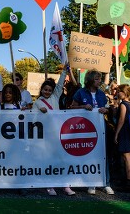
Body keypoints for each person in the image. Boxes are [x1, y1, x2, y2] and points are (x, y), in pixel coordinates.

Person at [32, 66, 75, 196]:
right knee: (49, 160)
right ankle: (50, 185)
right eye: (45, 89)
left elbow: (60, 84)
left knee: (62, 159)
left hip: (58, 134)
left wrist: (65, 71)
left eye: (49, 90)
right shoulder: (38, 102)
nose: (47, 92)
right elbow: (33, 119)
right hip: (45, 136)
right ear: (41, 90)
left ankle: (65, 185)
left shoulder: (55, 97)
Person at [70, 70, 114, 195]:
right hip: (85, 129)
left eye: (99, 79)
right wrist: (83, 107)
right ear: (89, 80)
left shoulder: (101, 94)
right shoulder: (80, 92)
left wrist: (106, 109)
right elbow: (72, 107)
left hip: (101, 129)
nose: (99, 81)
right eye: (96, 79)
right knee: (89, 155)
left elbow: (108, 108)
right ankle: (91, 183)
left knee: (103, 154)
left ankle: (106, 183)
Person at [114, 84, 130, 193]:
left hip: (124, 131)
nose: (117, 93)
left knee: (126, 157)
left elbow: (121, 119)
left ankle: (129, 183)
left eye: (119, 91)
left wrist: (116, 133)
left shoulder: (123, 104)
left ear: (124, 92)